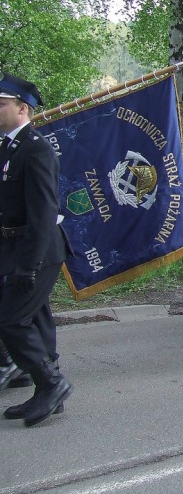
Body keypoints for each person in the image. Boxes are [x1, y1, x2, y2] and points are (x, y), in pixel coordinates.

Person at [0, 73, 72, 426]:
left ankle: (52, 383)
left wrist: (28, 265)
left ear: (22, 109)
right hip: (14, 245)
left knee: (11, 318)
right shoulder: (9, 147)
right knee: (37, 316)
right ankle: (48, 393)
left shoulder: (37, 148)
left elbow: (44, 211)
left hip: (38, 250)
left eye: (1, 104)